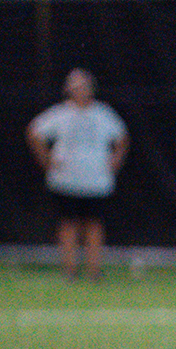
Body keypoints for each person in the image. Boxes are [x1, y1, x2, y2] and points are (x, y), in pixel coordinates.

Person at [25, 68, 129, 280]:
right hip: (66, 180)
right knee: (68, 223)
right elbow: (34, 132)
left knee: (94, 224)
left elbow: (122, 137)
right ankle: (69, 269)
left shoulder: (103, 113)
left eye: (84, 86)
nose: (80, 90)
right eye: (75, 86)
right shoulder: (61, 113)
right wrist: (46, 159)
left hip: (96, 180)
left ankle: (94, 269)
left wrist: (116, 159)